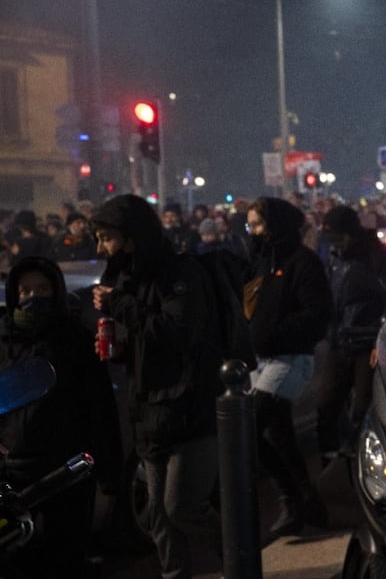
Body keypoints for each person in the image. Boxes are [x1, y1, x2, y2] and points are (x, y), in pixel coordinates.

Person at [91, 194, 225, 577]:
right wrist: (114, 348)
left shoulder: (180, 272)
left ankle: (240, 560)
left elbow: (178, 331)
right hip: (148, 409)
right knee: (158, 516)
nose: (102, 247)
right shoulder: (127, 278)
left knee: (182, 507)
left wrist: (120, 306)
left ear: (132, 236)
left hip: (189, 408)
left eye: (107, 237)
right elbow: (141, 341)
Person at [0, 257, 123, 578]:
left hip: (66, 472)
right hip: (14, 473)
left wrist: (109, 470)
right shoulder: (3, 340)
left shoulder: (75, 339)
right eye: (25, 289)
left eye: (42, 288)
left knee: (65, 559)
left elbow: (100, 405)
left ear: (55, 291)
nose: (33, 296)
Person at [244, 196, 332, 537]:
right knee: (280, 434)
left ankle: (290, 500)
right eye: (249, 225)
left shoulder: (302, 262)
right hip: (261, 360)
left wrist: (272, 334)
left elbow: (317, 314)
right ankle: (308, 502)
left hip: (291, 358)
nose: (252, 232)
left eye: (258, 225)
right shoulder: (261, 261)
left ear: (275, 225)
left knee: (250, 427)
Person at [314, 204, 386, 468]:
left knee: (363, 405)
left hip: (366, 343)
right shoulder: (333, 256)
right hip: (339, 340)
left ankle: (360, 457)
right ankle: (330, 457)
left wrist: (380, 337)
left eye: (339, 238)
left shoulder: (374, 255)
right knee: (327, 401)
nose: (335, 244)